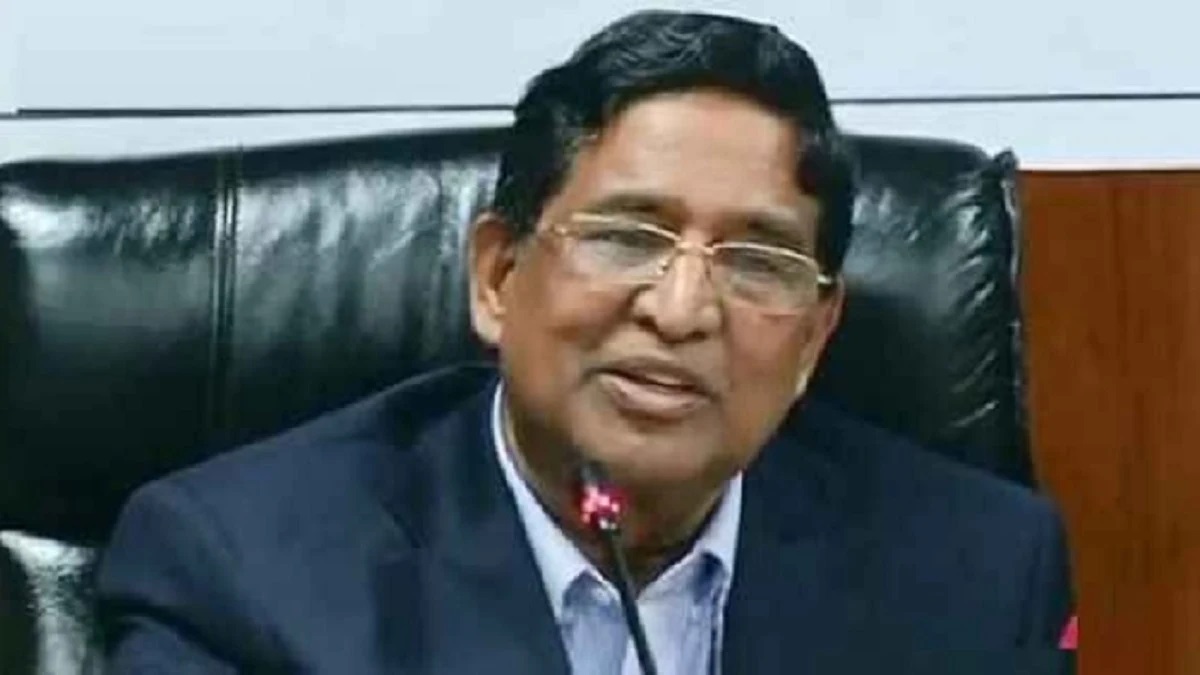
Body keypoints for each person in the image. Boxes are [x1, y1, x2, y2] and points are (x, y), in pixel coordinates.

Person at [97, 10, 1074, 674]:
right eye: (627, 238)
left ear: (816, 336)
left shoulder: (978, 578)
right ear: (497, 276)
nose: (682, 311)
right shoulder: (244, 574)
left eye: (756, 260)